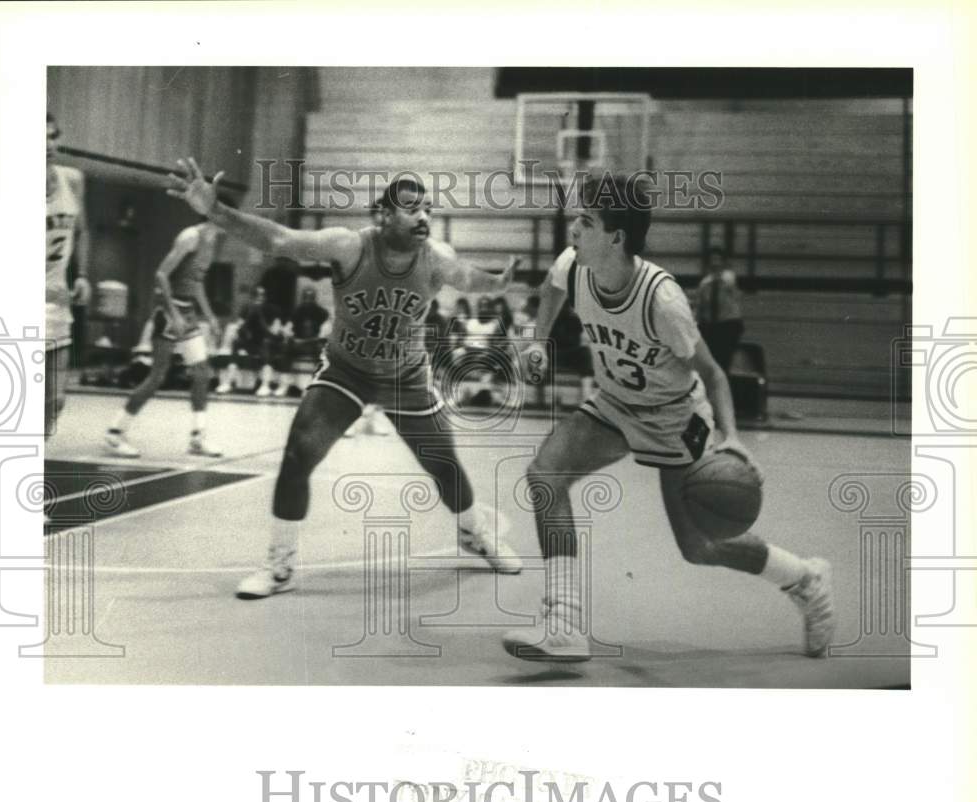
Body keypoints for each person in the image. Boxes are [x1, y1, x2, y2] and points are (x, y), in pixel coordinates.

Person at [502, 175, 834, 661]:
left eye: (585, 221)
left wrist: (732, 438)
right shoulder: (573, 265)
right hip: (615, 405)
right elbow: (552, 291)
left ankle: (804, 578)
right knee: (544, 474)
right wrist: (537, 339)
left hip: (673, 419)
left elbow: (715, 374)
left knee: (699, 548)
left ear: (615, 237)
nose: (573, 230)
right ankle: (563, 624)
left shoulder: (663, 300)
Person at [166, 159, 523, 597]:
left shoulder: (437, 258)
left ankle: (475, 533)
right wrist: (216, 211)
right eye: (413, 208)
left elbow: (469, 279)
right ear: (385, 215)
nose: (424, 216)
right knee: (298, 456)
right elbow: (280, 239)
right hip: (346, 372)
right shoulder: (349, 246)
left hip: (404, 376)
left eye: (427, 208)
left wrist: (499, 284)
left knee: (444, 467)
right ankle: (279, 565)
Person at [104, 204, 232, 458]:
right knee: (157, 377)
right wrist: (173, 313)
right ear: (217, 215)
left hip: (188, 313)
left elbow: (196, 284)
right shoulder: (190, 236)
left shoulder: (212, 242)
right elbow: (161, 275)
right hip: (168, 311)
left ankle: (198, 437)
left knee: (202, 373)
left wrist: (210, 316)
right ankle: (115, 432)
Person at [45, 112, 92, 442]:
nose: (48, 144)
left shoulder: (72, 179)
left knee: (55, 401)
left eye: (52, 136)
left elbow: (84, 231)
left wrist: (84, 275)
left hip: (59, 305)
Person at [692, 247, 745, 374]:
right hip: (712, 326)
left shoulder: (729, 277)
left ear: (723, 262)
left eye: (718, 259)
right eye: (712, 260)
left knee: (724, 360)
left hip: (728, 324)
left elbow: (729, 282)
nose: (715, 262)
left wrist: (718, 277)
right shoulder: (705, 284)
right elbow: (700, 307)